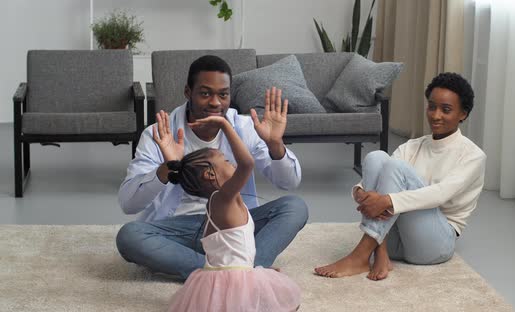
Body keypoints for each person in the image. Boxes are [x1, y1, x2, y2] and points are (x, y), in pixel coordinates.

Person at [116, 55, 308, 280]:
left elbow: (289, 182)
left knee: (294, 207)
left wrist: (275, 144)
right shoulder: (159, 134)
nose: (216, 102)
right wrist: (167, 168)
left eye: (223, 94)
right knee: (129, 236)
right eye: (205, 93)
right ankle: (238, 273)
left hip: (231, 226)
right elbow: (128, 204)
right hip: (177, 229)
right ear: (188, 92)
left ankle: (235, 270)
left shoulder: (245, 127)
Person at [315, 72, 486, 281]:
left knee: (394, 166)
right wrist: (360, 191)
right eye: (432, 106)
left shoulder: (473, 156)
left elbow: (440, 194)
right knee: (377, 157)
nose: (436, 115)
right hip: (395, 239)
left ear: (463, 114)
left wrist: (386, 200)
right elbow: (380, 179)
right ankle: (380, 252)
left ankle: (360, 255)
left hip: (433, 244)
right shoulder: (413, 146)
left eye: (446, 110)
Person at [165, 115, 300, 312]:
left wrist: (253, 272)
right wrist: (225, 125)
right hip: (231, 280)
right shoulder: (222, 198)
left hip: (233, 272)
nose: (233, 164)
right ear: (210, 174)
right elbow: (247, 163)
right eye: (226, 161)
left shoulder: (223, 199)